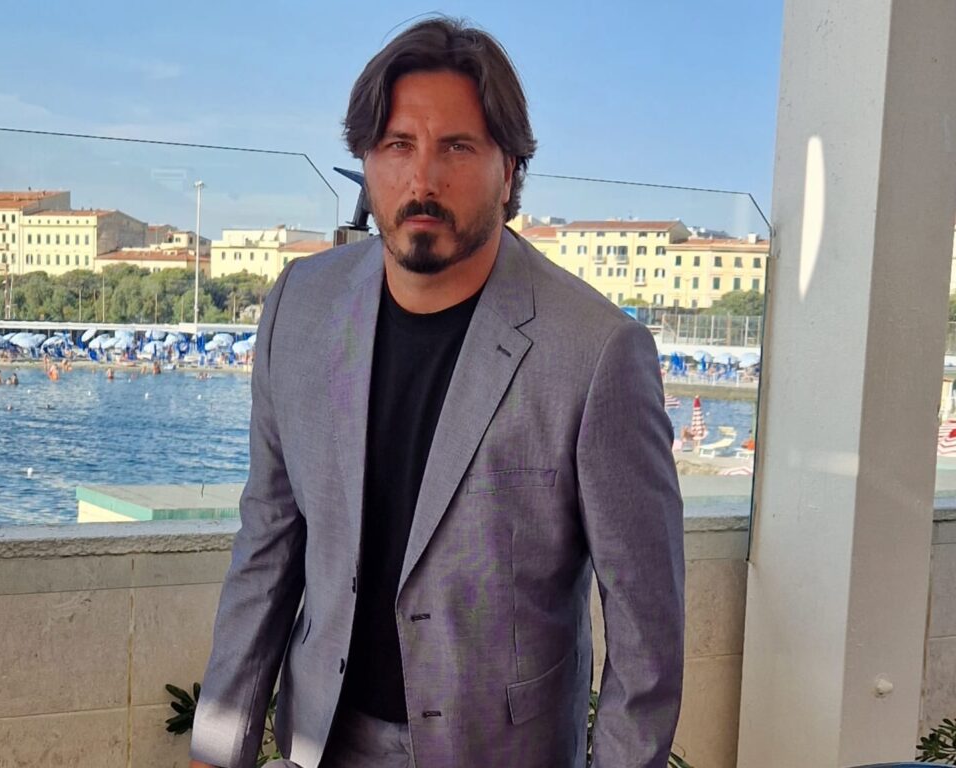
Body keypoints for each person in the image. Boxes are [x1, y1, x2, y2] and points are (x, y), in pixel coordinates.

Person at [190, 17, 684, 768]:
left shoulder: (596, 352)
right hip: (322, 742)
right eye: (398, 145)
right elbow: (267, 545)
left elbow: (648, 635)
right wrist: (215, 750)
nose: (422, 180)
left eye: (457, 147)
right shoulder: (300, 306)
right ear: (365, 160)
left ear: (510, 171)